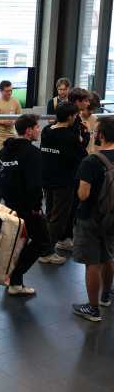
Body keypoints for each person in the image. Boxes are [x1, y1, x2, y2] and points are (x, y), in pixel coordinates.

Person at [0, 115, 49, 295]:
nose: (39, 131)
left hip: (11, 205)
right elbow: (34, 185)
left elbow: (4, 179)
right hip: (28, 208)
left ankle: (14, 282)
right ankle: (14, 278)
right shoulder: (33, 153)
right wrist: (36, 207)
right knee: (42, 241)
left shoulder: (5, 151)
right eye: (37, 127)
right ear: (28, 130)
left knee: (18, 244)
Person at [71, 118, 114, 322]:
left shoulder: (91, 161)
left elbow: (83, 195)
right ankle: (106, 295)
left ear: (101, 135)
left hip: (91, 218)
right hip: (112, 217)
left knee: (92, 263)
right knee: (108, 256)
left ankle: (93, 308)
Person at [40, 102, 87, 265]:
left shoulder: (47, 131)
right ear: (69, 117)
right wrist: (83, 138)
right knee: (58, 218)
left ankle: (48, 245)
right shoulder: (69, 136)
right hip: (63, 182)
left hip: (48, 179)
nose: (76, 118)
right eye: (75, 115)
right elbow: (81, 156)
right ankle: (46, 252)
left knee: (50, 214)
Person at [0, 80, 22, 149]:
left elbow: (20, 117)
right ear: (1, 91)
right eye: (7, 91)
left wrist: (14, 122)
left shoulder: (16, 102)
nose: (9, 93)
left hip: (12, 135)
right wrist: (3, 122)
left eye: (11, 90)